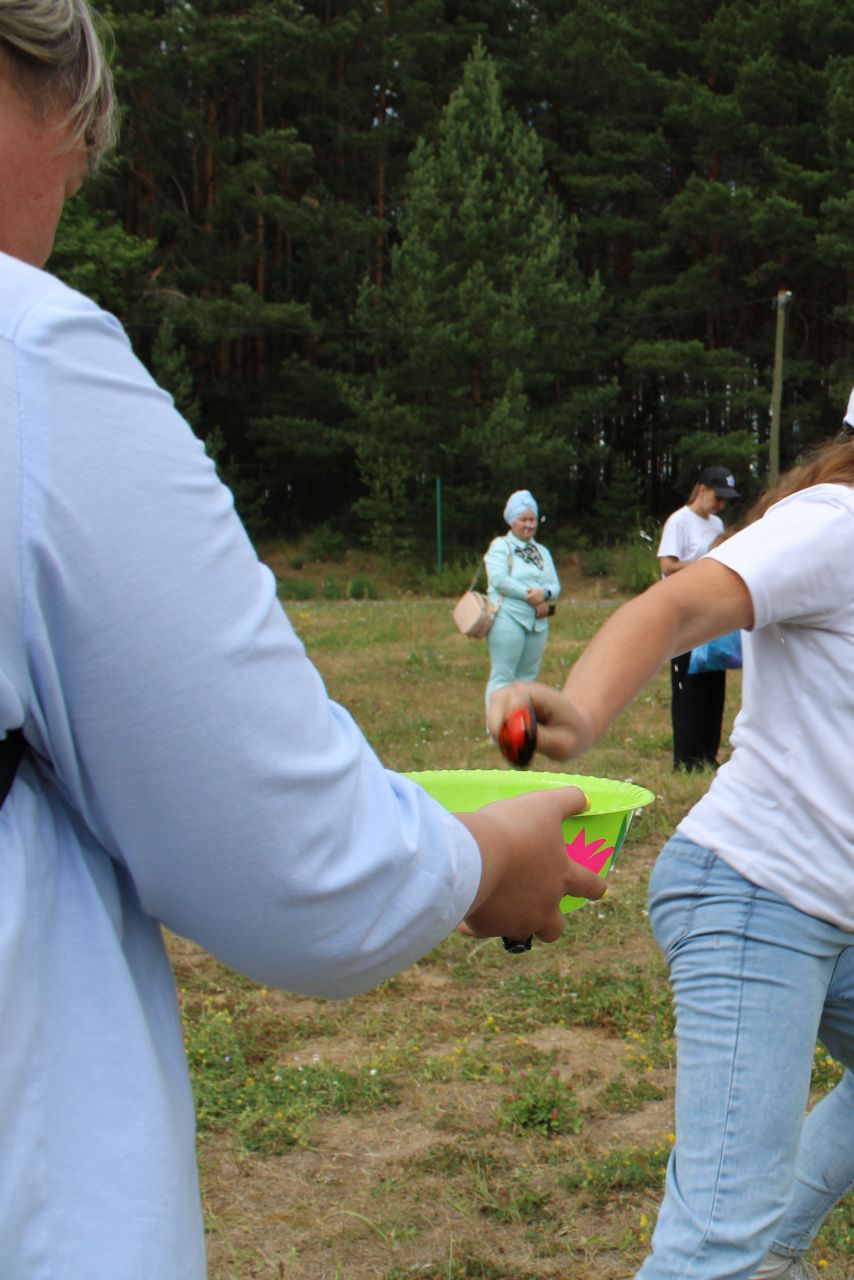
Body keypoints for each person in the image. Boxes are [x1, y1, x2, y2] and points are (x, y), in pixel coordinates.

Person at [0, 9, 603, 1274]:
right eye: (69, 171)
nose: (48, 236)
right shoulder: (29, 360)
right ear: (38, 93)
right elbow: (293, 856)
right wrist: (481, 857)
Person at [487, 334, 854, 1280]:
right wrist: (582, 714)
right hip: (756, 892)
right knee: (715, 1241)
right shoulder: (844, 522)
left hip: (829, 906)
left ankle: (773, 1252)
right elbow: (675, 609)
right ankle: (747, 1257)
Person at [658, 465, 740, 770]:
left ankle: (708, 753)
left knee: (711, 681)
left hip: (710, 612)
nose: (720, 505)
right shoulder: (679, 521)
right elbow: (667, 565)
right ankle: (686, 757)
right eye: (717, 497)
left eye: (725, 500)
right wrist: (705, 565)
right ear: (702, 489)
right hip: (683, 613)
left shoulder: (717, 524)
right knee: (687, 685)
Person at [485, 490, 562, 707]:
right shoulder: (501, 546)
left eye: (532, 519)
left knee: (527, 678)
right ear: (511, 520)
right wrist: (531, 596)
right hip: (507, 617)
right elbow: (499, 580)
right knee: (503, 675)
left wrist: (545, 595)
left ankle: (519, 725)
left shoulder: (542, 551)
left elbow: (555, 585)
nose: (528, 524)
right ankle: (496, 727)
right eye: (523, 519)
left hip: (537, 622)